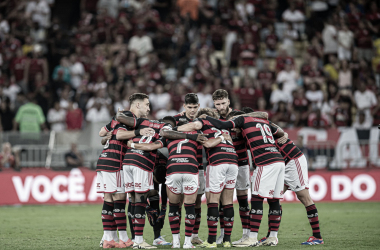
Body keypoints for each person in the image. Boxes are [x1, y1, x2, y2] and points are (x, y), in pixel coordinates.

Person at [116, 102, 207, 249]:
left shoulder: (160, 134)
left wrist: (132, 145)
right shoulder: (191, 135)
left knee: (138, 200)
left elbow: (150, 145)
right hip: (182, 169)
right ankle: (184, 242)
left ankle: (166, 241)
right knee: (186, 206)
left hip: (160, 168)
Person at [200, 111, 286, 247]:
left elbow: (223, 123)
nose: (233, 128)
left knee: (257, 198)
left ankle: (251, 238)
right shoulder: (263, 122)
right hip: (279, 160)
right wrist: (285, 134)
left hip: (264, 162)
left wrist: (206, 118)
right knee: (274, 200)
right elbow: (281, 132)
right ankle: (273, 237)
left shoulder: (242, 120)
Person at [97, 93, 155, 249]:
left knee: (109, 199)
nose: (149, 108)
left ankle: (108, 238)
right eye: (147, 104)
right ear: (137, 105)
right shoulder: (129, 117)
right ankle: (122, 239)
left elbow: (102, 132)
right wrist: (138, 132)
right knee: (120, 198)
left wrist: (109, 134)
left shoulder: (120, 117)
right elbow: (120, 134)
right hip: (115, 161)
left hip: (104, 159)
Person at [175, 108, 238, 248]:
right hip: (233, 162)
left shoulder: (203, 121)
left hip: (217, 162)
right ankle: (227, 240)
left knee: (212, 200)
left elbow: (196, 127)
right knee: (227, 201)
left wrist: (174, 128)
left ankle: (211, 241)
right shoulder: (223, 127)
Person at [256, 129, 324, 245]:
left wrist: (285, 134)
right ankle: (271, 236)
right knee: (273, 198)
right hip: (280, 163)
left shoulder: (262, 125)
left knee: (304, 197)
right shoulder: (253, 131)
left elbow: (279, 129)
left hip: (293, 160)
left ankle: (317, 236)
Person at [173, 93, 205, 245]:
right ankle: (177, 236)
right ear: (184, 106)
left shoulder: (203, 120)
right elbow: (166, 132)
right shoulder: (176, 119)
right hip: (180, 165)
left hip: (198, 165)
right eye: (189, 107)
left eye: (195, 107)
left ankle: (194, 235)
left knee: (197, 202)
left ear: (198, 106)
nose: (192, 110)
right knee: (178, 202)